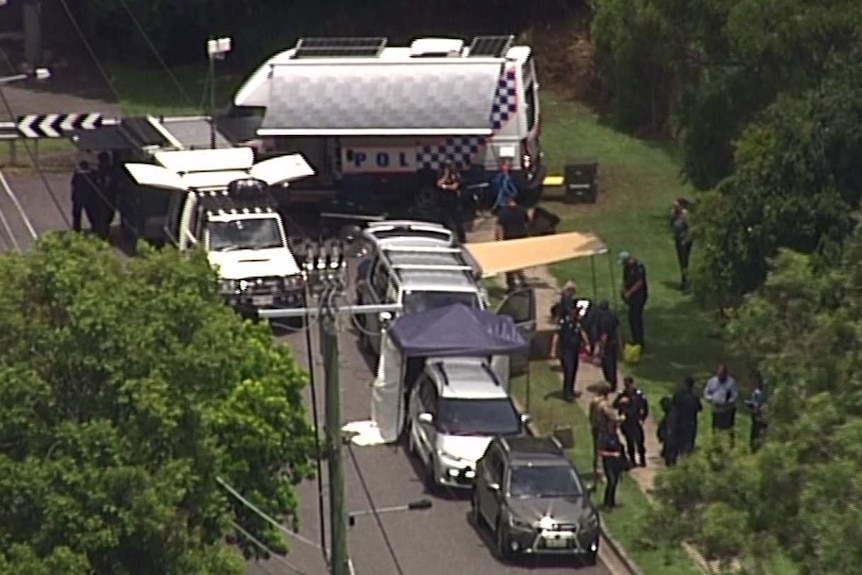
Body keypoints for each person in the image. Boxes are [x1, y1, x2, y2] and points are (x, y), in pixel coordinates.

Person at [549, 306, 590, 402]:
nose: (578, 314)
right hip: (566, 350)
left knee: (574, 371)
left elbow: (582, 332)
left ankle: (570, 390)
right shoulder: (563, 322)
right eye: (576, 311)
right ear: (571, 312)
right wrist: (553, 350)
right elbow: (556, 335)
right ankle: (567, 393)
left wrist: (587, 343)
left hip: (575, 350)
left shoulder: (577, 323)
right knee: (569, 371)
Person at [495, 195, 531, 291]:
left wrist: (498, 241)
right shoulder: (522, 210)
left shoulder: (503, 212)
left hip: (509, 240)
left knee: (509, 263)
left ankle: (512, 284)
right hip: (521, 239)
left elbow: (499, 227)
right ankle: (523, 281)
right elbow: (527, 223)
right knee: (519, 261)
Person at [613, 376, 649, 467]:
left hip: (636, 421)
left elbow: (645, 407)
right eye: (626, 385)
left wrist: (642, 418)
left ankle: (642, 459)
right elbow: (614, 405)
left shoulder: (639, 394)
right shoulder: (622, 394)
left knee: (640, 441)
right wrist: (620, 402)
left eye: (629, 384)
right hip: (626, 421)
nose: (628, 387)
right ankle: (632, 460)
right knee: (630, 442)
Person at [618, 251, 649, 348]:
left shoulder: (638, 267)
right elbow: (625, 280)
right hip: (631, 297)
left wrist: (629, 292)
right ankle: (635, 338)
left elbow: (639, 283)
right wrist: (623, 289)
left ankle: (639, 341)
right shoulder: (627, 267)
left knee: (636, 318)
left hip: (639, 296)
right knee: (631, 318)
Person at [704, 364, 739, 446]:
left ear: (726, 374)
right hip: (716, 408)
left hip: (728, 409)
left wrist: (729, 402)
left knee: (730, 428)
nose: (720, 376)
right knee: (716, 428)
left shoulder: (731, 382)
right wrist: (710, 399)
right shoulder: (712, 381)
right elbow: (707, 392)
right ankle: (715, 444)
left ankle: (731, 444)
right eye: (719, 374)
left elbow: (735, 395)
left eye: (722, 374)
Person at [597, 417, 626, 509]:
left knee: (616, 482)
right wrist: (612, 454)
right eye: (613, 426)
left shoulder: (616, 436)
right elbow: (600, 452)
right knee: (611, 481)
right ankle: (606, 502)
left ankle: (612, 502)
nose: (614, 428)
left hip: (617, 463)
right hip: (608, 463)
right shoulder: (604, 437)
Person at [671, 376, 702, 459]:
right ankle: (687, 458)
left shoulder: (677, 395)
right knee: (689, 442)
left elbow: (673, 407)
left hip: (679, 421)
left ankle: (679, 456)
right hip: (690, 422)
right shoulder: (694, 397)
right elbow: (699, 408)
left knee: (679, 440)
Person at [589, 383, 615, 479]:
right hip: (603, 429)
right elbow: (612, 417)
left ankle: (596, 469)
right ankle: (600, 473)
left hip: (595, 427)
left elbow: (591, 415)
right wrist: (622, 418)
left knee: (596, 450)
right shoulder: (604, 404)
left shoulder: (594, 402)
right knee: (601, 450)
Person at [436, 160, 465, 244]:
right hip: (443, 200)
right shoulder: (441, 173)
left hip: (454, 200)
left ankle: (462, 239)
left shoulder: (455, 174)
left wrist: (444, 186)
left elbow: (454, 187)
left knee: (458, 221)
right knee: (444, 220)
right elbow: (438, 184)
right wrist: (445, 175)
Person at [594, 300, 620, 391]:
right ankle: (614, 383)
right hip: (614, 342)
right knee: (613, 364)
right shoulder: (612, 315)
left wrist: (601, 349)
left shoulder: (603, 319)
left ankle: (610, 384)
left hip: (608, 345)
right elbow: (617, 325)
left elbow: (604, 336)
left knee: (607, 366)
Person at [91, 151, 117, 240]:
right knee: (101, 216)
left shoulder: (112, 171)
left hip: (110, 197)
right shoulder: (97, 172)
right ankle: (102, 234)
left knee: (108, 216)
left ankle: (103, 232)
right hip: (99, 198)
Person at [670, 199, 693, 292]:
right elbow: (672, 225)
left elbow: (689, 228)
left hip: (684, 241)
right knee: (682, 262)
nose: (674, 207)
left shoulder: (685, 215)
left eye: (676, 205)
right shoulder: (675, 216)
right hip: (678, 240)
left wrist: (686, 239)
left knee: (684, 262)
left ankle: (686, 283)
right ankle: (684, 281)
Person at [70, 160, 98, 232]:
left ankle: (77, 229)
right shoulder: (91, 174)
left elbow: (73, 183)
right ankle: (94, 227)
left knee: (79, 215)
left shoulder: (79, 174)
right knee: (89, 214)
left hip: (81, 197)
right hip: (87, 197)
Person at [745, 377, 768, 451]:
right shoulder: (756, 392)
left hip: (761, 414)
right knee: (756, 430)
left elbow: (759, 404)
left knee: (759, 431)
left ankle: (757, 446)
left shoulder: (761, 394)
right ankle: (754, 446)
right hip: (758, 414)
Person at [656, 396, 678, 466]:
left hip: (671, 438)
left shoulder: (672, 414)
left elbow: (670, 427)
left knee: (671, 454)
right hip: (669, 437)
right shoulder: (669, 413)